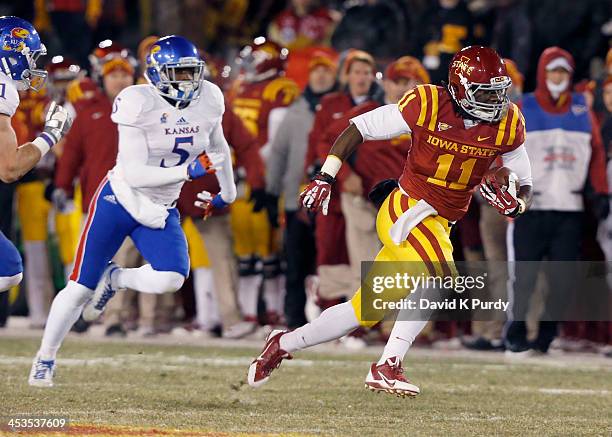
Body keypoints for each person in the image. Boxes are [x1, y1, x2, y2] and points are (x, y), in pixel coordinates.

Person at [248, 46, 533, 397]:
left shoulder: (508, 122)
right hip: (408, 209)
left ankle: (283, 343)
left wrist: (517, 204)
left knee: (361, 311)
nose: (495, 100)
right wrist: (325, 176)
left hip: (441, 222)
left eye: (498, 91)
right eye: (485, 92)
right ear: (459, 88)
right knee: (439, 276)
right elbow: (359, 127)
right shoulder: (428, 104)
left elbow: (525, 179)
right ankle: (388, 365)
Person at [29, 35, 237, 387]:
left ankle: (118, 279)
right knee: (80, 287)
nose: (189, 82)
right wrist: (188, 172)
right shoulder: (137, 102)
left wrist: (227, 193)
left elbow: (220, 148)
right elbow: (137, 173)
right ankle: (45, 358)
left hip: (161, 205)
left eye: (192, 73)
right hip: (121, 198)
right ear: (156, 74)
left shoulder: (210, 98)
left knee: (172, 277)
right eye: (179, 73)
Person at [504, 47, 608, 355]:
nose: (558, 78)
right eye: (552, 72)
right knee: (524, 278)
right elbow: (506, 154)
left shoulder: (582, 109)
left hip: (569, 210)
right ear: (542, 73)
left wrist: (600, 191)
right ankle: (518, 329)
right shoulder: (523, 107)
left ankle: (547, 333)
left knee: (562, 281)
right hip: (530, 208)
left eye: (563, 72)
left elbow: (597, 154)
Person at [226, 38, 300, 338]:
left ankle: (273, 310)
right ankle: (248, 313)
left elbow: (278, 140)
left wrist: (250, 164)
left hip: (268, 180)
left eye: (254, 57)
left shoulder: (281, 89)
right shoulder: (240, 87)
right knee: (244, 249)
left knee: (269, 249)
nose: (247, 63)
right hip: (238, 176)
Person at [265, 51, 338, 329]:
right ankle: (293, 319)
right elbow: (278, 155)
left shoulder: (340, 107)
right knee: (295, 262)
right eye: (317, 70)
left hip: (331, 201)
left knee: (328, 263)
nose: (321, 76)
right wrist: (272, 192)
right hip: (297, 199)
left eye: (326, 71)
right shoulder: (295, 112)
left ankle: (328, 321)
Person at [0, 16, 73, 294]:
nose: (33, 67)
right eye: (29, 57)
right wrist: (51, 135)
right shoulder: (3, 87)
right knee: (8, 269)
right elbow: (8, 169)